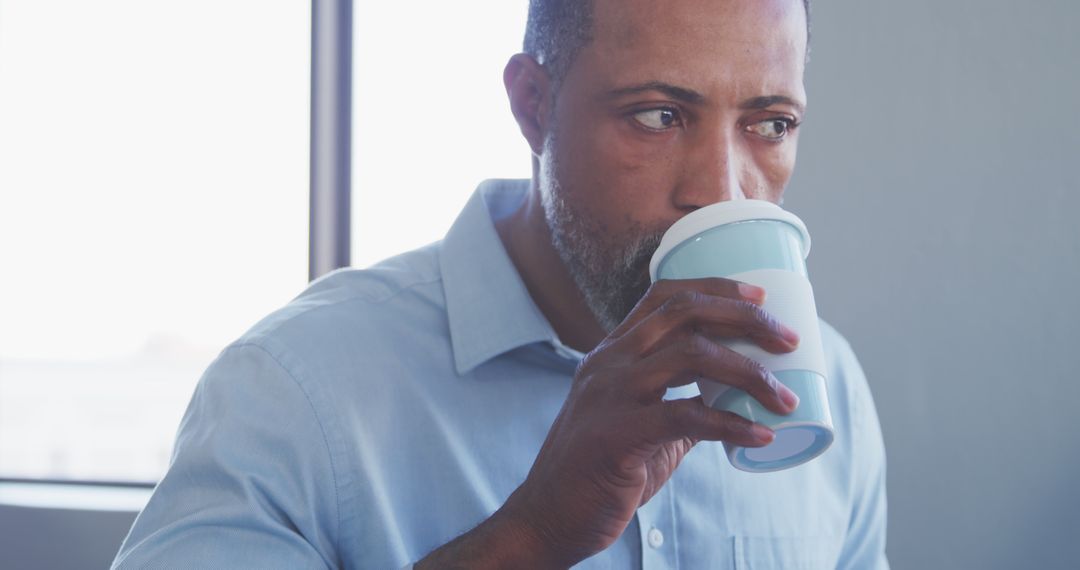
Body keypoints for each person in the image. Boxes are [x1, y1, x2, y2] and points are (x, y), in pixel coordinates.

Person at [113, 0, 889, 568]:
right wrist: (533, 536)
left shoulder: (834, 395)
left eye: (771, 123)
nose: (721, 190)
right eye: (658, 116)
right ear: (532, 105)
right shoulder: (293, 390)